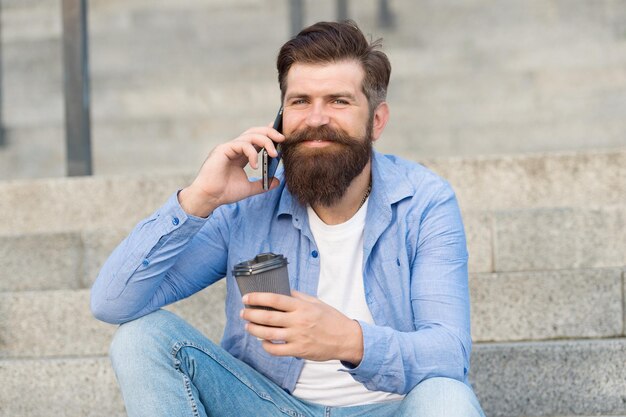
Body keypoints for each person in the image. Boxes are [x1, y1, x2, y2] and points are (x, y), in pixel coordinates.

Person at [91, 20, 485, 417]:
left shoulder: (424, 203)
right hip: (267, 406)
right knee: (138, 339)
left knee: (446, 399)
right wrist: (199, 198)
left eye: (338, 101)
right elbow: (112, 302)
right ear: (280, 117)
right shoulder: (246, 204)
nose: (316, 118)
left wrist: (349, 340)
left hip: (390, 409)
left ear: (377, 121)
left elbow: (449, 355)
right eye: (300, 101)